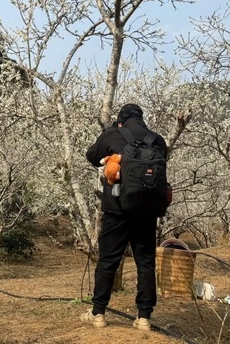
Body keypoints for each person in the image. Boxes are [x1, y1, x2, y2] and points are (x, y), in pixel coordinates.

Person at [81, 103, 168, 332]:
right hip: (147, 213)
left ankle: (98, 313)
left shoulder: (113, 133)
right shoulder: (157, 140)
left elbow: (91, 156)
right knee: (145, 264)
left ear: (121, 121)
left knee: (108, 261)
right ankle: (144, 318)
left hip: (117, 210)